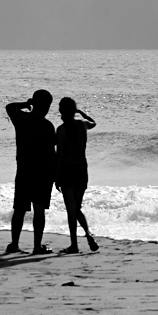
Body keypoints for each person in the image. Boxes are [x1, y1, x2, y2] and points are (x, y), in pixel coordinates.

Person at [5, 90, 57, 255]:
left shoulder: (21, 119)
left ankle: (14, 244)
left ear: (34, 103)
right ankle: (36, 246)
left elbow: (10, 107)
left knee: (19, 209)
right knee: (39, 209)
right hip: (42, 172)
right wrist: (56, 175)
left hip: (24, 170)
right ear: (47, 106)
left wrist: (27, 104)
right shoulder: (47, 126)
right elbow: (51, 154)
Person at [55, 97, 99, 254]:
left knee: (71, 209)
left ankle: (75, 244)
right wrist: (82, 114)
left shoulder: (60, 130)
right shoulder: (83, 125)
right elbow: (94, 123)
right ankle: (88, 234)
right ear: (74, 110)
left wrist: (56, 176)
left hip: (67, 170)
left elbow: (59, 156)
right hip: (81, 169)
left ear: (61, 110)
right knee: (76, 207)